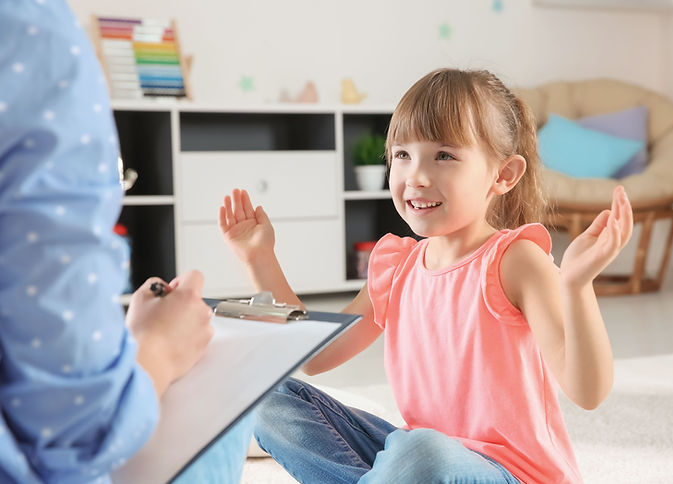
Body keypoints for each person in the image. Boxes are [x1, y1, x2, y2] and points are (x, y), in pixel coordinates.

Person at [218, 68, 634, 483]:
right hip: (415, 461)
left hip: (508, 474)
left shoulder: (515, 260)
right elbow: (315, 358)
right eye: (402, 155)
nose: (415, 176)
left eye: (444, 155)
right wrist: (260, 260)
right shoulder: (396, 266)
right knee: (268, 399)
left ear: (503, 175)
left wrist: (577, 285)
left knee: (422, 451)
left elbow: (588, 391)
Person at [0, 1, 251, 482]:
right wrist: (157, 346)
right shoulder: (35, 37)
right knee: (229, 388)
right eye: (401, 155)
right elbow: (76, 430)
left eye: (443, 156)